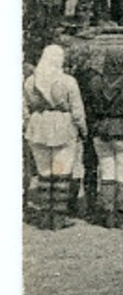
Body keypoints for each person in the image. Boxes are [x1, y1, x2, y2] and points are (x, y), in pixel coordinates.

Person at [24, 44, 88, 230]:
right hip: (63, 126)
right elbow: (77, 110)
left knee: (44, 173)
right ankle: (59, 218)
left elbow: (24, 109)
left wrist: (29, 124)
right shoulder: (68, 81)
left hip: (38, 126)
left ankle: (45, 216)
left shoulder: (30, 81)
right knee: (62, 173)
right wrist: (83, 129)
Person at [85, 51, 123, 228]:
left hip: (102, 130)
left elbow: (90, 108)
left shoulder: (94, 83)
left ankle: (108, 213)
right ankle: (122, 214)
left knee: (107, 173)